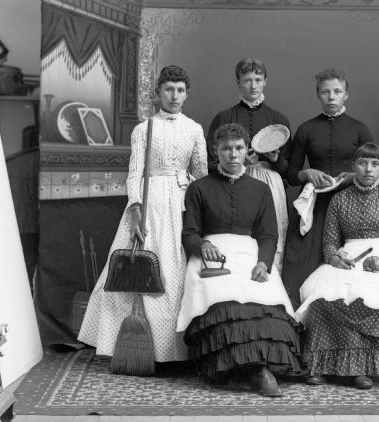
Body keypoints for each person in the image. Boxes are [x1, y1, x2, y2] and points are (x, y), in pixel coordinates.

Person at [78, 65, 208, 362]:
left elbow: (201, 176)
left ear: (187, 94)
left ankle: (177, 351)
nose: (174, 96)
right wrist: (136, 210)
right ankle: (134, 346)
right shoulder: (144, 128)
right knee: (141, 267)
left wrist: (201, 213)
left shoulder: (194, 129)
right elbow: (135, 173)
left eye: (180, 90)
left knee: (177, 270)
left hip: (183, 202)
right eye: (168, 89)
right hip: (149, 204)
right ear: (158, 92)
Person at [177, 123, 302, 397]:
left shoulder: (260, 189)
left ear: (247, 151)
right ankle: (252, 372)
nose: (233, 155)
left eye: (238, 148)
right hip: (211, 258)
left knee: (264, 300)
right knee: (224, 301)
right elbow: (190, 233)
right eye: (226, 149)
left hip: (250, 254)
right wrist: (203, 244)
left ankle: (255, 369)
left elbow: (269, 234)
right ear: (215, 151)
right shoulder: (199, 188)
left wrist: (263, 264)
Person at [296, 142, 379, 389]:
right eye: (362, 163)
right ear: (353, 166)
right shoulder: (339, 200)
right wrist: (336, 258)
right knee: (324, 297)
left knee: (373, 297)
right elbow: (330, 243)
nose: (368, 169)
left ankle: (362, 368)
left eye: (375, 164)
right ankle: (323, 365)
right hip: (348, 258)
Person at [282, 68, 373, 307]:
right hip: (316, 205)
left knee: (348, 263)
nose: (331, 97)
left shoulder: (359, 128)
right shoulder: (306, 129)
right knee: (302, 261)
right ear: (317, 95)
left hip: (351, 205)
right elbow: (291, 174)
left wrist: (354, 175)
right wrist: (307, 173)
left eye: (337, 91)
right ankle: (301, 320)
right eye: (325, 92)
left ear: (346, 94)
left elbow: (375, 168)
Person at [205, 58, 291, 271]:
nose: (253, 86)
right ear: (238, 82)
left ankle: (271, 283)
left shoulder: (278, 120)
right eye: (247, 80)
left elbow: (288, 170)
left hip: (269, 182)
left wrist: (274, 160)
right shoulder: (224, 117)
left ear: (265, 81)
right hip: (229, 183)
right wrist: (240, 163)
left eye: (258, 79)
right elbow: (208, 163)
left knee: (272, 236)